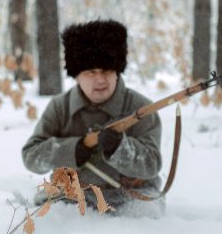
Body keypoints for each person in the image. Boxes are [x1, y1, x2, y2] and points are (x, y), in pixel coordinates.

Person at [22, 20, 164, 216]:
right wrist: (72, 150)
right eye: (91, 71)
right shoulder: (59, 107)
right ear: (77, 75)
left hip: (130, 198)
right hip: (71, 197)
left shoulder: (141, 109)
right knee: (42, 220)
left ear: (117, 72)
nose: (100, 79)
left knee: (143, 221)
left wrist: (120, 149)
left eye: (106, 70)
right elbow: (32, 157)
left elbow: (152, 165)